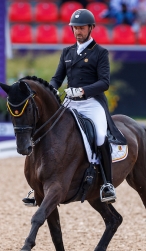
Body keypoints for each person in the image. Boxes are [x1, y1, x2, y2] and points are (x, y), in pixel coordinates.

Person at [52, 9, 127, 203]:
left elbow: (104, 82)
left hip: (92, 103)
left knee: (101, 136)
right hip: (70, 103)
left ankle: (107, 184)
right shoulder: (67, 52)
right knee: (50, 131)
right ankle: (41, 181)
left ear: (91, 28)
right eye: (75, 28)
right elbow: (57, 78)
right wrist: (50, 88)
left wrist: (83, 91)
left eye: (82, 28)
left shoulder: (100, 53)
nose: (78, 31)